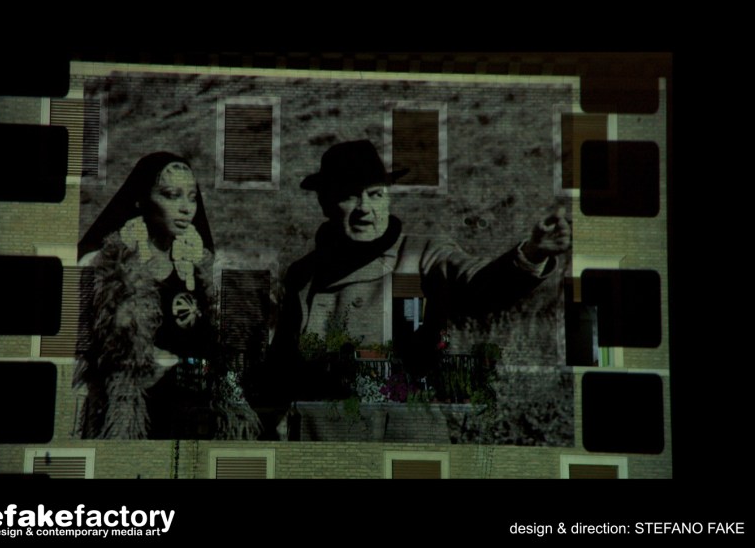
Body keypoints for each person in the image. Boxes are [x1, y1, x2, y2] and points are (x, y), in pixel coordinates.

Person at [268, 139, 571, 403]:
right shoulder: (303, 274)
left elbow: (481, 284)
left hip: (402, 430)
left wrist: (534, 252)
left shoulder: (423, 254)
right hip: (318, 434)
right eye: (349, 195)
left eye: (375, 194)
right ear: (324, 202)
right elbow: (281, 366)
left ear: (388, 198)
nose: (364, 208)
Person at [74, 152, 260, 439]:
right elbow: (78, 360)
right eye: (172, 195)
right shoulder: (104, 269)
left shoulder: (206, 271)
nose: (186, 208)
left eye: (192, 198)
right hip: (138, 416)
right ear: (141, 199)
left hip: (198, 417)